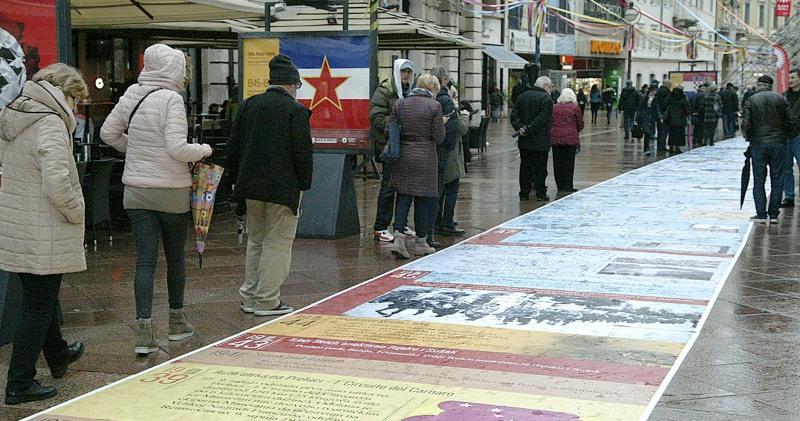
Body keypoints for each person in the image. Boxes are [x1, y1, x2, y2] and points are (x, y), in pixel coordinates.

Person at [101, 44, 212, 355]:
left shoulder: (132, 94)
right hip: (170, 192)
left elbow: (108, 134)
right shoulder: (171, 99)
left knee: (145, 262)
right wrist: (204, 150)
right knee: (175, 259)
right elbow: (178, 149)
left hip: (136, 191)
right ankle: (176, 323)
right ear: (173, 69)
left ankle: (144, 332)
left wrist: (136, 151)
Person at [0, 64, 87, 405]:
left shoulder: (16, 114)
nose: (75, 108)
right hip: (44, 226)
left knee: (41, 297)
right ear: (62, 92)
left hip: (19, 224)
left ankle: (58, 354)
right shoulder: (49, 121)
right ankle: (19, 382)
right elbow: (57, 182)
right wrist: (76, 211)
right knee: (37, 305)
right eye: (75, 98)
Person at [226, 54, 312, 315]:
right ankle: (267, 300)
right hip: (282, 189)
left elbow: (234, 147)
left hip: (251, 187)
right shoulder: (296, 111)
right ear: (292, 84)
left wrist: (234, 182)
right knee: (277, 242)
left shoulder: (249, 106)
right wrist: (304, 184)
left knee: (256, 241)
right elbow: (302, 153)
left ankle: (250, 296)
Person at [388, 74, 445, 259]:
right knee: (423, 199)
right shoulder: (434, 106)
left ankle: (398, 239)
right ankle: (421, 242)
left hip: (403, 155)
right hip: (425, 157)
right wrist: (442, 124)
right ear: (432, 88)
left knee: (403, 197)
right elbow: (439, 137)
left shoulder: (401, 103)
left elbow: (392, 127)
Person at [370, 59, 415, 243]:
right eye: (403, 71)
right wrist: (398, 121)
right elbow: (376, 117)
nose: (406, 75)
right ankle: (380, 227)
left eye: (409, 72)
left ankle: (400, 224)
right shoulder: (385, 90)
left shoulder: (410, 91)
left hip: (406, 146)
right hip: (389, 147)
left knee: (405, 188)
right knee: (388, 187)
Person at [742, 75, 790, 223]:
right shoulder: (782, 99)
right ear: (771, 85)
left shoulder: (751, 100)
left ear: (758, 85)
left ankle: (761, 214)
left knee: (759, 179)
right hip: (779, 143)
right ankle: (774, 215)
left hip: (758, 143)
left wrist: (749, 138)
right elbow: (790, 121)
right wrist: (785, 136)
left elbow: (746, 124)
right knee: (778, 179)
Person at [431, 66, 464, 238]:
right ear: (444, 80)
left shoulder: (430, 98)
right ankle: (447, 223)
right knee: (451, 187)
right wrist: (464, 115)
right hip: (448, 152)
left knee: (438, 189)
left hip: (432, 150)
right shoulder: (446, 100)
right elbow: (459, 128)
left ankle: (436, 222)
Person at [512, 76, 554, 201]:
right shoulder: (547, 99)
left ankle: (524, 193)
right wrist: (529, 128)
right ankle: (540, 193)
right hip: (541, 140)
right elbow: (543, 118)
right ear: (545, 86)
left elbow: (514, 115)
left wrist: (520, 127)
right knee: (540, 168)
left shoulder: (522, 96)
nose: (550, 89)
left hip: (525, 140)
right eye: (550, 87)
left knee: (525, 167)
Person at [550, 88, 583, 195]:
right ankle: (568, 185)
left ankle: (560, 185)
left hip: (556, 139)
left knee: (557, 163)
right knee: (569, 163)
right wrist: (575, 130)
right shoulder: (575, 107)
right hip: (570, 139)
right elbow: (580, 123)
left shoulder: (554, 107)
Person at [781, 69, 800, 208]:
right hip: (786, 136)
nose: (790, 80)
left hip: (798, 135)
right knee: (785, 168)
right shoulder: (784, 96)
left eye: (793, 77)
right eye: (789, 78)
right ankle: (789, 197)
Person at [664, 85, 690, 154]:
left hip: (671, 118)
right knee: (679, 134)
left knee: (672, 133)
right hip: (681, 118)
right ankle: (677, 147)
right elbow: (687, 107)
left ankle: (671, 146)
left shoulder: (670, 97)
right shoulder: (683, 97)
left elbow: (664, 105)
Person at [637, 85, 658, 156]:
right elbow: (640, 108)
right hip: (644, 117)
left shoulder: (655, 99)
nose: (655, 92)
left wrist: (659, 116)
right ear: (651, 91)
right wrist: (637, 119)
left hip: (651, 118)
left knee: (649, 134)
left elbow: (657, 108)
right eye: (654, 91)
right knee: (647, 132)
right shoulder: (644, 97)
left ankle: (646, 148)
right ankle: (646, 149)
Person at [655, 80, 672, 153]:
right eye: (670, 84)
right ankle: (662, 146)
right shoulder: (667, 92)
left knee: (659, 131)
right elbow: (668, 103)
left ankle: (659, 146)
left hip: (658, 114)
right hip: (665, 114)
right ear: (667, 84)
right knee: (664, 131)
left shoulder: (658, 91)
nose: (670, 86)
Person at [690, 84, 707, 148]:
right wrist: (698, 112)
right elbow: (702, 106)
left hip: (693, 114)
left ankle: (694, 140)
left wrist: (692, 112)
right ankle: (700, 141)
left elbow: (689, 105)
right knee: (701, 128)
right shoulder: (703, 96)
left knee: (695, 128)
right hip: (701, 114)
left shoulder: (693, 96)